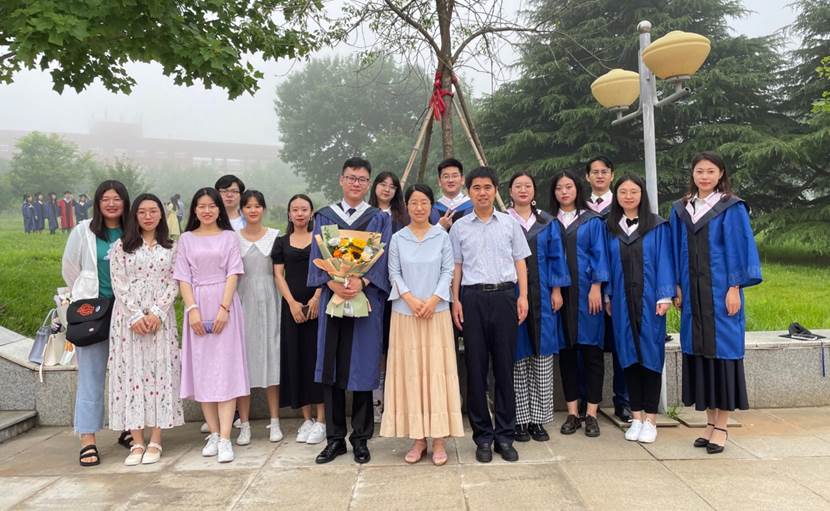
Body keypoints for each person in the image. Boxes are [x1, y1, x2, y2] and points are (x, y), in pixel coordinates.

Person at [670, 151, 762, 454]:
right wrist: (677, 286)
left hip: (721, 294)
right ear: (693, 174)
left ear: (721, 174)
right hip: (693, 297)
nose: (705, 176)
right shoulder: (682, 209)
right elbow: (675, 250)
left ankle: (722, 426)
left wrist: (735, 287)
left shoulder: (731, 207)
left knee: (722, 356)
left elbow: (739, 248)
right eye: (700, 171)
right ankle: (709, 423)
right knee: (700, 356)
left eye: (711, 171)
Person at [308, 157, 392, 465]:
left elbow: (384, 256)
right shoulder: (325, 216)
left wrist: (362, 281)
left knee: (362, 366)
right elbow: (316, 254)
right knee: (330, 367)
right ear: (341, 180)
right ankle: (334, 439)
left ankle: (360, 439)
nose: (356, 183)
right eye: (351, 177)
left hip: (365, 299)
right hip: (333, 299)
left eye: (362, 179)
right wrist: (331, 282)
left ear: (368, 183)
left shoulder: (379, 218)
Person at [450, 166, 531, 463]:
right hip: (472, 299)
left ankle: (505, 436)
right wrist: (455, 300)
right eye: (476, 188)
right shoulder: (459, 227)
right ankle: (482, 437)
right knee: (475, 369)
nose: (482, 193)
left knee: (504, 368)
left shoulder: (509, 223)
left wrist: (523, 296)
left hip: (505, 297)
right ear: (468, 191)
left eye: (487, 187)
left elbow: (520, 262)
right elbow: (456, 266)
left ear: (496, 190)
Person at [381, 183, 464, 465]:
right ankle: (418, 439)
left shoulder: (441, 236)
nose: (419, 208)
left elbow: (448, 271)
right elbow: (393, 273)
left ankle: (439, 439)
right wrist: (410, 299)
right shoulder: (398, 238)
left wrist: (433, 300)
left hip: (436, 313)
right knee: (412, 374)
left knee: (437, 373)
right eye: (413, 203)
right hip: (405, 314)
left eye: (424, 202)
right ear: (407, 206)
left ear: (431, 206)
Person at [108, 193, 184, 465]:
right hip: (128, 320)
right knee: (131, 374)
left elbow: (175, 281)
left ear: (162, 214)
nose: (148, 216)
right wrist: (136, 315)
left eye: (153, 211)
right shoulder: (122, 246)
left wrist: (158, 312)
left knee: (160, 372)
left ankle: (156, 439)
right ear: (135, 216)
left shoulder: (172, 247)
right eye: (142, 212)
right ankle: (136, 440)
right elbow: (118, 282)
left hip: (160, 321)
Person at [174, 188, 248, 463]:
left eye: (211, 206)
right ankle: (214, 434)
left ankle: (226, 438)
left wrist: (224, 309)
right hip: (196, 305)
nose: (207, 211)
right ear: (194, 210)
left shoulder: (229, 237)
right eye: (201, 206)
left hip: (225, 305)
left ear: (219, 209)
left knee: (226, 370)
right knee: (203, 370)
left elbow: (233, 273)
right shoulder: (186, 239)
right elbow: (182, 277)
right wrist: (192, 310)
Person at [62, 180, 130, 467]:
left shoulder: (132, 231)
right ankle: (87, 438)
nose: (111, 204)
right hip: (93, 313)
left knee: (129, 372)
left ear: (125, 202)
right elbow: (70, 269)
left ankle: (129, 427)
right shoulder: (83, 231)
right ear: (98, 203)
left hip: (127, 312)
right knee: (91, 374)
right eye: (105, 199)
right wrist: (86, 296)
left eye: (117, 198)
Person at [605, 175, 675, 444]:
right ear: (616, 196)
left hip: (650, 301)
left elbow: (665, 260)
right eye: (623, 192)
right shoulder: (610, 227)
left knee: (650, 357)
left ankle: (651, 420)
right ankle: (636, 417)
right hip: (622, 300)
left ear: (642, 194)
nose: (628, 196)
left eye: (633, 191)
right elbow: (606, 264)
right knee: (629, 358)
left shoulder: (657, 226)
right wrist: (608, 295)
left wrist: (665, 295)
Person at [506, 172, 569, 443]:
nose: (523, 190)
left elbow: (557, 257)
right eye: (518, 186)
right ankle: (520, 419)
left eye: (527, 186)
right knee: (517, 357)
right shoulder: (503, 220)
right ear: (510, 191)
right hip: (512, 295)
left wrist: (556, 289)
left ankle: (538, 420)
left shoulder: (547, 222)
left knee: (542, 357)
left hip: (543, 295)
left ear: (534, 191)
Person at [551, 169, 609, 438]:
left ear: (577, 189)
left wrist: (597, 286)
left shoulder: (592, 220)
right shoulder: (549, 222)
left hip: (588, 294)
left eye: (569, 187)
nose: (564, 192)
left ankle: (592, 414)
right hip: (560, 296)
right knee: (567, 354)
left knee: (592, 352)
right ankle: (573, 413)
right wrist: (554, 290)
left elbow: (600, 254)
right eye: (559, 188)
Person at [273, 194, 326, 445]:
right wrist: (292, 303)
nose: (300, 213)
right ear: (289, 214)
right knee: (297, 360)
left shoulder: (321, 239)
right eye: (295, 209)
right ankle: (307, 419)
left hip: (319, 307)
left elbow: (329, 269)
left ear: (312, 212)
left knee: (317, 359)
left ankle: (322, 421)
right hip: (292, 309)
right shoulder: (281, 242)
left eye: (304, 209)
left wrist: (316, 298)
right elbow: (278, 275)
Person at [585, 156, 631, 423]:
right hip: (588, 288)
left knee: (620, 344)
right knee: (589, 346)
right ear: (588, 177)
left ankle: (622, 401)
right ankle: (586, 400)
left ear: (612, 175)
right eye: (595, 172)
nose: (600, 176)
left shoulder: (623, 205)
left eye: (604, 171)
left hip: (619, 286)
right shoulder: (581, 209)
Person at [235, 190, 283, 445]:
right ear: (241, 210)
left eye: (257, 206)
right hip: (242, 301)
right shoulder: (233, 238)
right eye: (248, 206)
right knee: (243, 362)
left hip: (270, 300)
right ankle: (244, 424)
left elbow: (279, 273)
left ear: (263, 209)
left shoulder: (274, 236)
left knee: (271, 356)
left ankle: (275, 421)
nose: (253, 210)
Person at [368, 171, 408, 423]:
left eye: (392, 186)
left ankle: (396, 403)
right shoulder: (366, 215)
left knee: (394, 345)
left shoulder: (402, 218)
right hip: (371, 289)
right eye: (382, 184)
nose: (386, 189)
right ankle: (376, 401)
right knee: (374, 347)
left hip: (398, 291)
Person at [430, 158, 473, 229]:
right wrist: (439, 227)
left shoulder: (473, 207)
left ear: (462, 179)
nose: (450, 180)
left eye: (455, 176)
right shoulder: (432, 209)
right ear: (439, 181)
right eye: (446, 176)